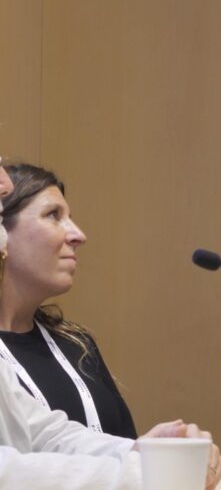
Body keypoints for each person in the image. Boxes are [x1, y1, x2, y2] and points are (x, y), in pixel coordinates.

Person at [0, 160, 221, 488]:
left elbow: (43, 432)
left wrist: (144, 452)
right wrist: (145, 473)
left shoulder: (76, 343)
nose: (3, 182)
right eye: (53, 216)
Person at [0, 162, 136, 438]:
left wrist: (156, 450)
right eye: (53, 215)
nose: (78, 235)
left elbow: (121, 445)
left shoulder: (77, 344)